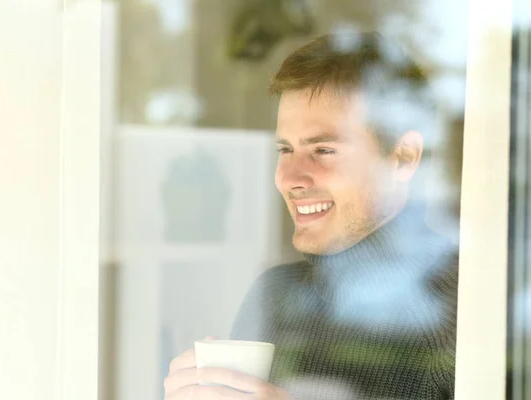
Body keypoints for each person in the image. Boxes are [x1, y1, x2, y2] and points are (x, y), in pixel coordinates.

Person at [164, 32, 458, 400]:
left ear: (404, 157)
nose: (290, 178)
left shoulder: (468, 302)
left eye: (323, 149)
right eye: (285, 149)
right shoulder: (274, 294)